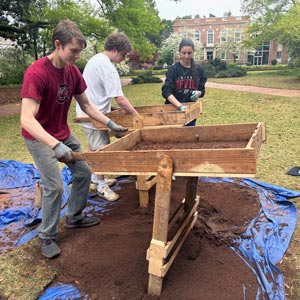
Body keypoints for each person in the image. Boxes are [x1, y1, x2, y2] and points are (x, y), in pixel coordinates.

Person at [20, 19, 127, 259]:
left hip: (62, 132)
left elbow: (87, 105)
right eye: (73, 51)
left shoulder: (71, 71)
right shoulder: (36, 73)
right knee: (55, 186)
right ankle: (46, 235)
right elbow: (26, 119)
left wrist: (110, 123)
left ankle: (75, 217)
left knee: (83, 173)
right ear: (58, 45)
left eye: (79, 51)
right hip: (38, 136)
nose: (77, 56)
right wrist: (54, 144)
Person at [76, 32, 138, 202]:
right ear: (115, 49)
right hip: (93, 116)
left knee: (93, 147)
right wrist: (136, 115)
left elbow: (99, 91)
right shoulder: (107, 67)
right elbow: (120, 97)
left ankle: (95, 180)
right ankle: (102, 187)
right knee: (101, 150)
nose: (123, 57)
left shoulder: (96, 59)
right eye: (123, 54)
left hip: (89, 112)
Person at [162, 38, 207, 126]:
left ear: (193, 52)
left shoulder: (199, 70)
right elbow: (166, 92)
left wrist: (199, 93)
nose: (186, 56)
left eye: (189, 53)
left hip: (190, 111)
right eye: (184, 53)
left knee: (189, 136)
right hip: (173, 110)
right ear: (179, 52)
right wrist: (180, 106)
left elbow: (202, 90)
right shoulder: (173, 70)